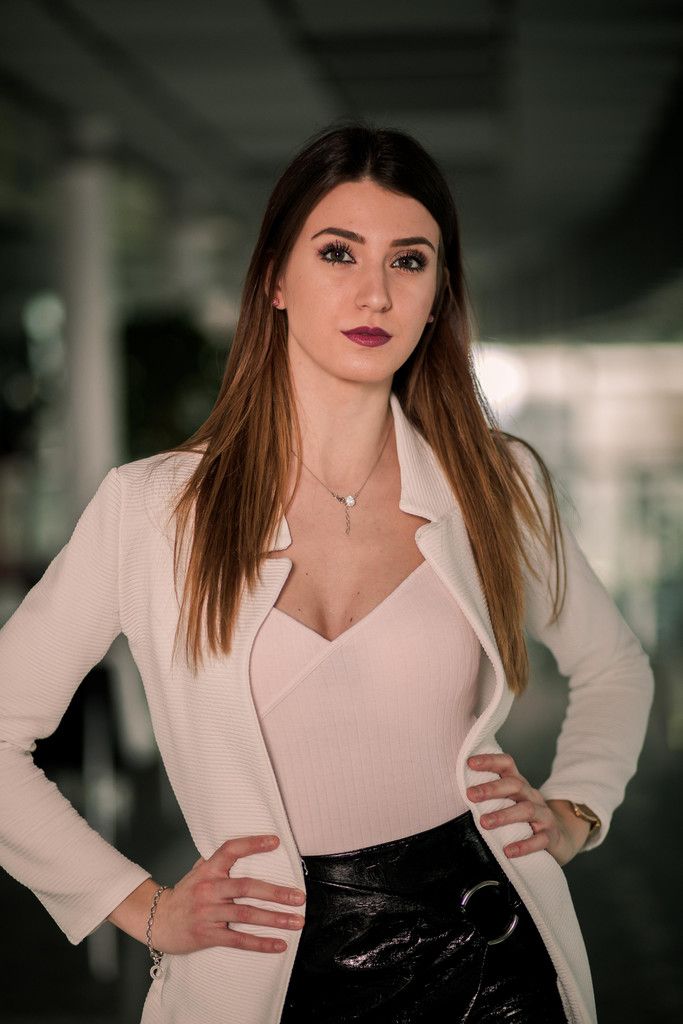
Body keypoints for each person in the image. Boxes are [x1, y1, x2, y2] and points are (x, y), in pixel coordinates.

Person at [0, 121, 654, 1024]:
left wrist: (576, 809)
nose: (374, 293)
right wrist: (138, 907)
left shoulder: (493, 485)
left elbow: (614, 665)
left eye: (408, 261)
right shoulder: (151, 510)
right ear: (274, 278)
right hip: (260, 973)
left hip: (488, 956)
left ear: (437, 295)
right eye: (338, 252)